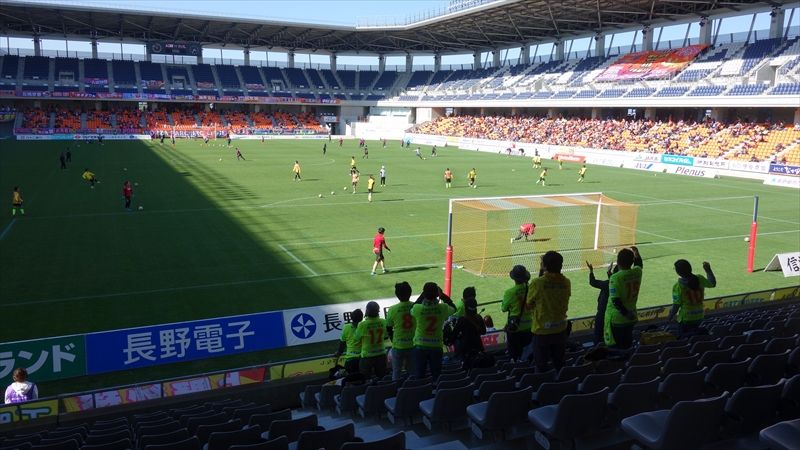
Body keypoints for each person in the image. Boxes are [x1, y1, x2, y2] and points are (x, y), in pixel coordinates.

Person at [526, 251, 571, 372]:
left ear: (544, 266)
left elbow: (528, 305)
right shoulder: (567, 282)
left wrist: (542, 269)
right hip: (561, 329)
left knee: (541, 366)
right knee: (560, 364)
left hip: (542, 331)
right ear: (561, 266)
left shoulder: (537, 283)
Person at [412, 282, 456, 380]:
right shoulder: (443, 308)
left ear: (424, 294)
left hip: (420, 345)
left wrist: (422, 294)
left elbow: (413, 306)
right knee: (436, 376)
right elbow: (453, 307)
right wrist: (442, 295)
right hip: (436, 346)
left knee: (419, 376)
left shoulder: (417, 309)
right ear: (437, 294)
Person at [604, 247, 643, 350]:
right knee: (627, 344)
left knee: (617, 347)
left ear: (618, 261)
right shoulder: (638, 272)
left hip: (619, 318)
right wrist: (636, 252)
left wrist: (626, 314)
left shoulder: (615, 278)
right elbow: (639, 264)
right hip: (632, 314)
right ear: (632, 261)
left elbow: (616, 300)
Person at [668, 260, 716, 336]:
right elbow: (713, 283)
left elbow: (676, 306)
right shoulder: (700, 278)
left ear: (678, 272)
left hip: (686, 319)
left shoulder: (678, 286)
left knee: (682, 338)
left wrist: (669, 317)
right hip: (699, 316)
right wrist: (708, 270)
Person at [503, 265, 532, 361]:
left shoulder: (510, 292)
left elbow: (503, 308)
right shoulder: (530, 289)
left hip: (516, 328)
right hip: (530, 326)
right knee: (528, 353)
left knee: (515, 354)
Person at [387, 282, 415, 380]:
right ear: (410, 293)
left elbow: (389, 328)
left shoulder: (393, 309)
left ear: (397, 295)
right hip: (413, 344)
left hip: (398, 345)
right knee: (412, 371)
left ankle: (396, 391)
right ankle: (412, 390)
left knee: (396, 372)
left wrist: (393, 340)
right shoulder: (416, 306)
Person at [450, 289, 486, 364]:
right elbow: (483, 332)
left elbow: (453, 336)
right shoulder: (479, 317)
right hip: (478, 347)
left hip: (465, 350)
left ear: (465, 307)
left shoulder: (462, 320)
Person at [355, 301, 388, 380]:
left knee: (365, 379)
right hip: (381, 354)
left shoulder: (362, 324)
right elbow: (385, 337)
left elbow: (357, 338)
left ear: (367, 311)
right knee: (382, 378)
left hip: (367, 356)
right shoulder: (383, 321)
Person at [587, 260, 614, 345]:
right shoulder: (618, 283)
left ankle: (597, 348)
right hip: (613, 313)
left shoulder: (607, 284)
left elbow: (593, 282)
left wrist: (591, 271)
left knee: (598, 333)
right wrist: (609, 272)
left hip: (602, 313)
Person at [335, 309, 364, 375]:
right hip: (363, 358)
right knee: (363, 379)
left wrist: (339, 352)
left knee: (350, 380)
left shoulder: (346, 327)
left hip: (350, 359)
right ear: (362, 318)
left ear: (351, 318)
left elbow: (342, 343)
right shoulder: (364, 326)